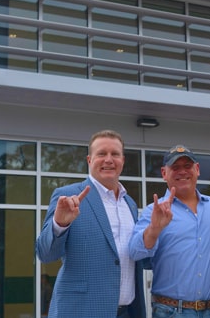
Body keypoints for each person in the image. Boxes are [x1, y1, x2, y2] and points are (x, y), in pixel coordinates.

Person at [35, 129, 146, 318]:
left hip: (127, 312)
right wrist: (60, 224)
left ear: (123, 160)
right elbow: (45, 254)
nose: (109, 159)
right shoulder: (68, 196)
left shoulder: (130, 204)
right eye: (101, 153)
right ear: (89, 160)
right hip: (81, 311)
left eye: (115, 154)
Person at [129, 144, 210, 318]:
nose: (182, 172)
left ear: (197, 169)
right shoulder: (153, 211)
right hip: (171, 312)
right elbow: (135, 252)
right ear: (164, 173)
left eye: (187, 166)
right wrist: (155, 228)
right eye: (175, 167)